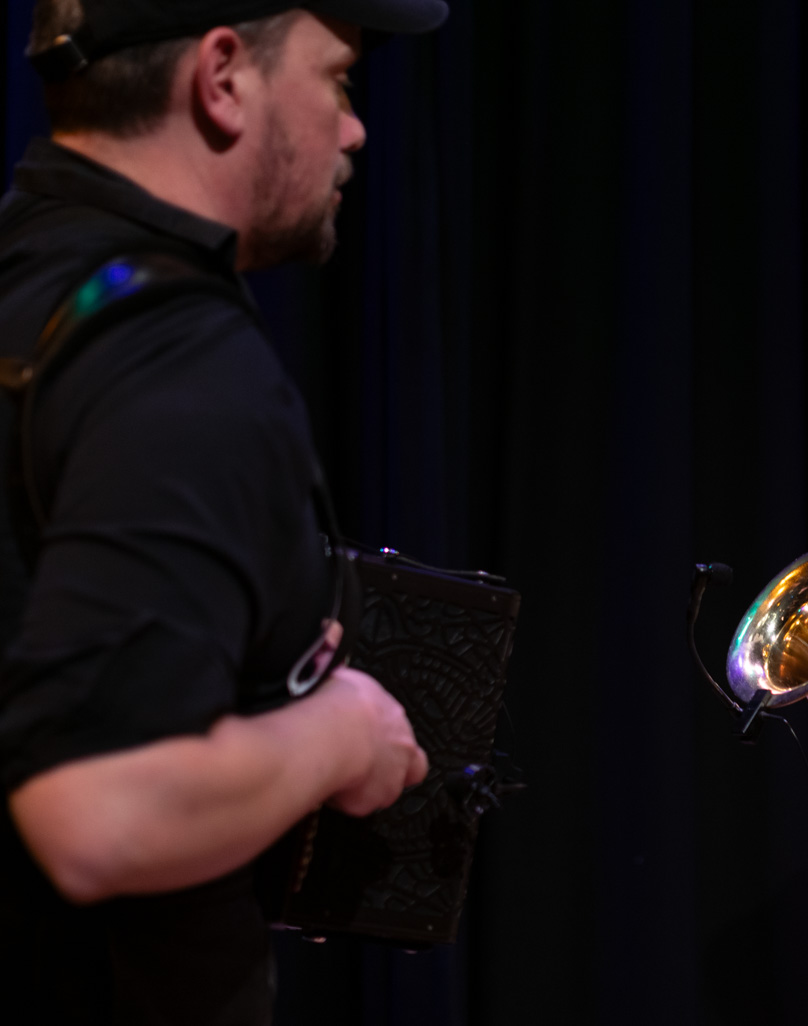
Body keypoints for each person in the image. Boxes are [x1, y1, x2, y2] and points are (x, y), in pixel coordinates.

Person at [0, 1, 445, 1021]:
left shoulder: (28, 271)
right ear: (223, 77)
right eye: (335, 79)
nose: (354, 127)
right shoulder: (179, 362)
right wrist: (342, 734)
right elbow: (100, 814)